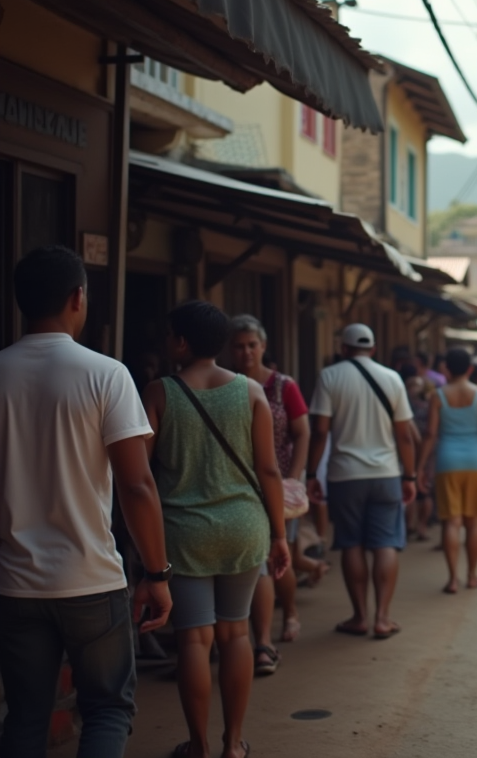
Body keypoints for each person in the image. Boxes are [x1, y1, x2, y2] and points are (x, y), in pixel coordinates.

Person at [0, 246, 172, 758]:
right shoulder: (106, 374)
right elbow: (137, 485)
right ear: (78, 298)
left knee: (25, 717)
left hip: (14, 583)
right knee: (106, 710)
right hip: (90, 580)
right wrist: (157, 575)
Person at [143, 301, 291, 758]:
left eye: (170, 335)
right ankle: (232, 744)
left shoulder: (158, 392)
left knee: (194, 638)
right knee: (235, 634)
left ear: (183, 342)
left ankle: (200, 745)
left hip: (183, 531)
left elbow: (141, 476)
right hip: (244, 526)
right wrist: (281, 535)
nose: (167, 343)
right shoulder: (250, 392)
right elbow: (268, 470)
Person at [306, 324, 417, 640]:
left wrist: (313, 473)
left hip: (345, 475)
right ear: (374, 347)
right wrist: (408, 475)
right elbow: (404, 435)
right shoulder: (392, 378)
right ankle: (383, 618)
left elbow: (320, 431)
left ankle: (360, 616)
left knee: (351, 543)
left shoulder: (330, 376)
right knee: (385, 543)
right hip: (386, 473)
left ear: (343, 347)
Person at [228, 315, 321, 675]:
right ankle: (255, 638)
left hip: (278, 486)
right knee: (257, 561)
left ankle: (289, 614)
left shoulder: (284, 387)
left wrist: (294, 478)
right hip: (238, 488)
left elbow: (303, 433)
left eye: (252, 344)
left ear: (263, 347)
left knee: (280, 559)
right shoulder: (225, 384)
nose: (247, 351)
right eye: (239, 345)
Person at [418, 348, 477, 593]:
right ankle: (472, 576)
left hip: (447, 462)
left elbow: (431, 433)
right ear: (471, 369)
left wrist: (420, 467)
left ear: (446, 369)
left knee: (450, 522)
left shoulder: (438, 396)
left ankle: (452, 580)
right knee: (474, 522)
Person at [402, 369, 435, 542]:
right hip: (428, 452)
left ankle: (409, 526)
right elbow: (432, 431)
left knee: (410, 490)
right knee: (425, 492)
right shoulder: (429, 406)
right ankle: (422, 526)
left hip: (407, 451)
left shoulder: (404, 408)